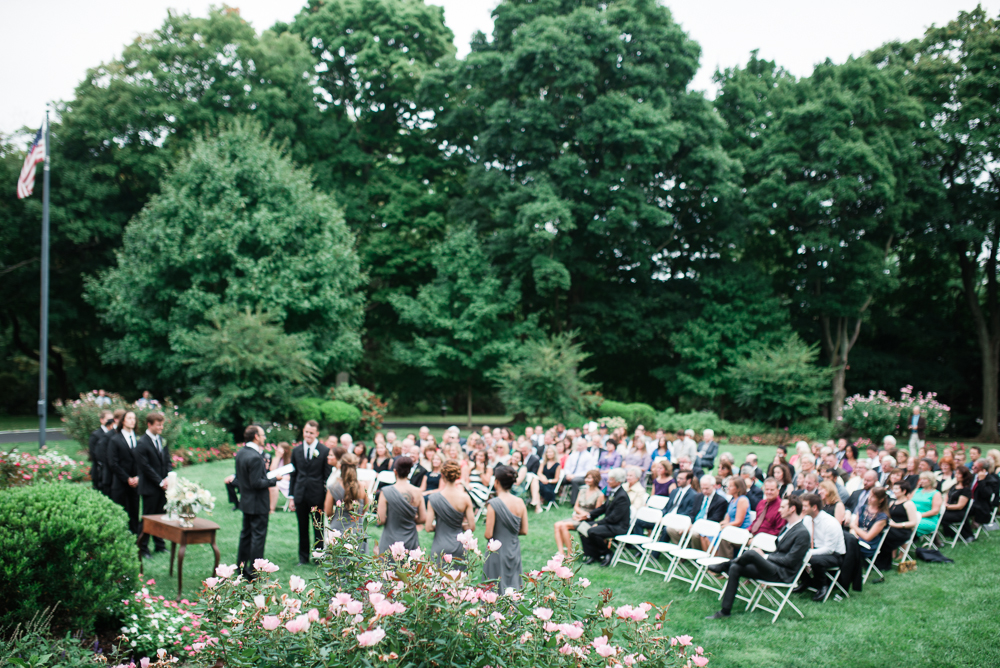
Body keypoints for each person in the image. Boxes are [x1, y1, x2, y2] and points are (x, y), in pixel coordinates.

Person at [705, 496, 810, 619]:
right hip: (773, 566)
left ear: (792, 509)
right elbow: (779, 551)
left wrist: (764, 556)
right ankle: (725, 611)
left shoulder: (802, 533)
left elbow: (790, 561)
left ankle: (723, 566)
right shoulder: (787, 527)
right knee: (735, 567)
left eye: (782, 507)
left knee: (752, 553)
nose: (779, 510)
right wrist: (765, 556)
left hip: (783, 573)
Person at [235, 425, 278, 580]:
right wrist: (274, 480)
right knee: (258, 537)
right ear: (256, 436)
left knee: (246, 535)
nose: (264, 437)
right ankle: (255, 572)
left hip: (246, 501)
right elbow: (256, 483)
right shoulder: (254, 456)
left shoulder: (241, 453)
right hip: (258, 503)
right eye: (262, 435)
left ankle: (240, 567)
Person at [289, 421, 332, 565]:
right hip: (300, 494)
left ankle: (318, 557)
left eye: (311, 433)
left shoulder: (324, 451)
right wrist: (291, 497)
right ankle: (303, 558)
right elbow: (293, 475)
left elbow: (327, 477)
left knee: (318, 528)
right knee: (302, 528)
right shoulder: (296, 450)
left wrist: (327, 500)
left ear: (317, 434)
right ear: (303, 431)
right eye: (306, 432)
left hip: (317, 495)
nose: (308, 435)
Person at [483, 465, 528, 591]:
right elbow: (524, 530)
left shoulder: (493, 504)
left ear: (496, 482)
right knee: (513, 584)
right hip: (513, 549)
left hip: (497, 552)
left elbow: (488, 534)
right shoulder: (520, 502)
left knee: (494, 586)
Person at [795, 493, 846, 602]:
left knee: (815, 560)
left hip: (834, 555)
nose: (802, 508)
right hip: (815, 550)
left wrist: (808, 553)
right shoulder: (807, 519)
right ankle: (805, 581)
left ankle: (823, 586)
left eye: (805, 506)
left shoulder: (830, 523)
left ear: (814, 507)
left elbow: (829, 549)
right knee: (796, 553)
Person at [426, 460, 476, 567]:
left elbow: (428, 527)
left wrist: (441, 526)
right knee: (459, 580)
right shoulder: (465, 498)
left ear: (442, 476)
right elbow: (471, 526)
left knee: (438, 581)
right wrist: (457, 526)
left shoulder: (433, 498)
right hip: (459, 546)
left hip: (440, 545)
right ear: (457, 476)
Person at [578, 468, 630, 567]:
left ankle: (606, 553)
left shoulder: (622, 496)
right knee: (582, 527)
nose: (608, 481)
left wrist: (598, 523)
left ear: (618, 482)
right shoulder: (613, 491)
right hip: (610, 523)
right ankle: (592, 554)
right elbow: (604, 507)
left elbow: (614, 518)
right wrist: (589, 515)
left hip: (618, 526)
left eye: (611, 480)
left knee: (592, 531)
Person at [136, 411, 171, 557]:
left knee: (161, 516)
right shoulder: (142, 442)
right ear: (149, 424)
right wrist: (159, 481)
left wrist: (169, 477)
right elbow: (145, 467)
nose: (161, 427)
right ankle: (142, 547)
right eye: (158, 425)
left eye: (162, 425)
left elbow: (168, 461)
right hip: (150, 487)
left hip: (163, 487)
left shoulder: (162, 440)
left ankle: (159, 545)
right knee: (148, 518)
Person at [377, 457, 425, 554]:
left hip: (390, 539)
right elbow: (423, 518)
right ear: (409, 472)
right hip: (410, 539)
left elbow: (380, 520)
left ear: (395, 471)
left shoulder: (385, 492)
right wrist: (410, 518)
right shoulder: (417, 492)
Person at [324, 453, 370, 554]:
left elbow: (327, 511)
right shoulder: (363, 486)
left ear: (341, 466)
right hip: (357, 529)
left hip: (338, 529)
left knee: (337, 564)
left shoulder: (333, 487)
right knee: (357, 563)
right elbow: (365, 508)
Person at [554, 469, 604, 557]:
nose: (587, 480)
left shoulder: (599, 494)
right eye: (586, 478)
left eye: (589, 478)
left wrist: (584, 516)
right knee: (557, 525)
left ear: (595, 479)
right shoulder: (582, 490)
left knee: (563, 526)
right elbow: (576, 506)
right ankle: (561, 553)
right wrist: (580, 514)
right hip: (578, 516)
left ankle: (570, 554)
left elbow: (597, 512)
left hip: (588, 520)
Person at [108, 410, 141, 535]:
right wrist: (127, 478)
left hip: (136, 483)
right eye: (129, 418)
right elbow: (113, 463)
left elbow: (142, 461)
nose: (133, 420)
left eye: (134, 418)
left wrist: (138, 477)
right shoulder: (115, 439)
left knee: (134, 511)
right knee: (121, 511)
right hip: (120, 483)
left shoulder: (139, 439)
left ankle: (136, 538)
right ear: (123, 421)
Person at [702, 477, 751, 557]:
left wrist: (723, 527)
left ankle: (718, 562)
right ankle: (711, 559)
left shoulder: (742, 500)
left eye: (731, 486)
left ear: (738, 488)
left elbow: (738, 522)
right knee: (707, 534)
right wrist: (719, 525)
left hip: (739, 530)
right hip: (730, 528)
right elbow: (726, 519)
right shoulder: (732, 500)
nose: (728, 488)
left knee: (716, 536)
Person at [881, 480, 920, 568]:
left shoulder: (908, 504)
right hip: (892, 529)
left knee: (884, 534)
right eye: (893, 488)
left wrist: (896, 525)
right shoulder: (892, 503)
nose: (893, 491)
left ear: (904, 491)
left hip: (903, 531)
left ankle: (885, 561)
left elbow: (913, 522)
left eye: (896, 489)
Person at [850, 488, 889, 567]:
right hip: (856, 537)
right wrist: (853, 532)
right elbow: (853, 526)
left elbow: (868, 537)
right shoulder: (863, 508)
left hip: (868, 544)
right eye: (869, 495)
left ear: (880, 500)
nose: (869, 498)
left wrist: (855, 528)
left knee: (848, 544)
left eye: (873, 497)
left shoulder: (882, 517)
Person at [940, 466, 974, 540]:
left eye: (959, 474)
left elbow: (960, 506)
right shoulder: (954, 486)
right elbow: (947, 496)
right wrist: (944, 503)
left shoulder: (966, 490)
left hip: (958, 512)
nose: (956, 475)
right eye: (956, 473)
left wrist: (947, 506)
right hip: (948, 509)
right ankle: (948, 533)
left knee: (941, 517)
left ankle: (954, 534)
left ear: (964, 476)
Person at [563, 438, 599, 506]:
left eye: (580, 445)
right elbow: (567, 466)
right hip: (570, 475)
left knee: (575, 481)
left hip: (582, 477)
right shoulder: (573, 455)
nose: (578, 447)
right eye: (578, 445)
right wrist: (568, 474)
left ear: (585, 446)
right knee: (560, 479)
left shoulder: (589, 456)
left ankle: (573, 502)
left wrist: (574, 476)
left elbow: (587, 471)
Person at [89, 410, 114, 495]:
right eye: (108, 419)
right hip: (99, 471)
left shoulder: (114, 434)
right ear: (102, 420)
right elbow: (93, 454)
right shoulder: (96, 435)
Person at [971, 458, 1000, 528]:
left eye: (976, 467)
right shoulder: (972, 476)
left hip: (980, 505)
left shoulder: (991, 480)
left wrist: (981, 481)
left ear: (983, 469)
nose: (972, 468)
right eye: (973, 466)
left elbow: (986, 494)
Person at [268, 443, 292, 512]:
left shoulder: (290, 460)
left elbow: (292, 476)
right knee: (269, 484)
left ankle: (272, 508)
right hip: (277, 479)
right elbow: (272, 470)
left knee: (274, 485)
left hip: (286, 481)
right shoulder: (277, 459)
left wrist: (281, 478)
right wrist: (277, 457)